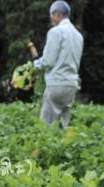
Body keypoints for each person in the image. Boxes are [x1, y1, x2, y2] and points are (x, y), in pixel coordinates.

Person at [32, 1, 84, 129]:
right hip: (71, 85)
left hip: (57, 84)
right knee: (63, 127)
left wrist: (35, 64)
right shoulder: (78, 36)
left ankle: (42, 148)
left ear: (58, 14)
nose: (51, 18)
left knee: (46, 126)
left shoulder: (55, 32)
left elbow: (48, 61)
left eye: (51, 14)